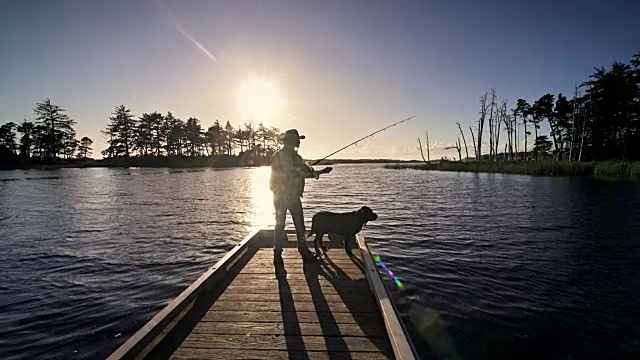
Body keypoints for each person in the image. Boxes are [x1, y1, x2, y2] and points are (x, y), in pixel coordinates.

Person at [269, 129, 331, 263]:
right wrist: (302, 171)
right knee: (280, 225)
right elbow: (287, 173)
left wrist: (320, 172)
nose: (299, 143)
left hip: (293, 196)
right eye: (297, 140)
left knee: (300, 225)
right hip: (281, 196)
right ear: (290, 141)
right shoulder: (278, 156)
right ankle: (277, 252)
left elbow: (306, 170)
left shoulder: (297, 157)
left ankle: (303, 250)